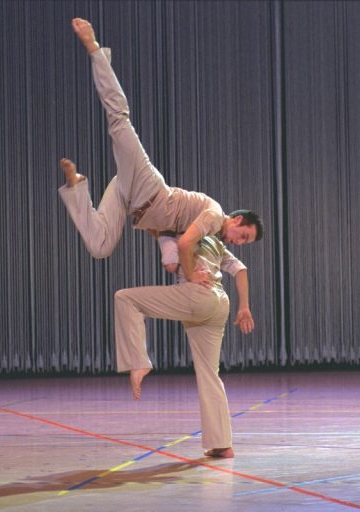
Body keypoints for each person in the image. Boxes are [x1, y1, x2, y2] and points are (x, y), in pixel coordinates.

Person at [59, 18, 264, 286]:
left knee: (100, 247)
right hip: (148, 189)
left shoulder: (208, 232)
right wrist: (191, 275)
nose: (237, 243)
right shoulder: (215, 216)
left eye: (242, 242)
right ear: (236, 220)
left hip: (131, 200)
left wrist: (170, 257)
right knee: (119, 119)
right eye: (242, 236)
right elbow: (186, 243)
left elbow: (175, 238)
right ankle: (95, 50)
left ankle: (76, 187)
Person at [114, 233, 253, 458]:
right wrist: (244, 306)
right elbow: (240, 269)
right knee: (210, 373)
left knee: (125, 298)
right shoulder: (214, 241)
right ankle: (222, 444)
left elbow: (170, 263)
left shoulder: (173, 231)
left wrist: (179, 260)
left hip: (197, 296)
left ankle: (138, 362)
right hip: (220, 302)